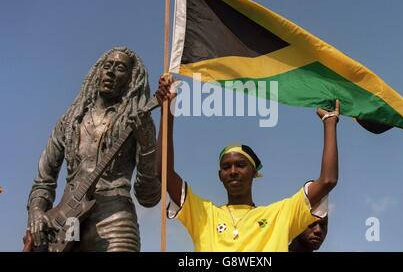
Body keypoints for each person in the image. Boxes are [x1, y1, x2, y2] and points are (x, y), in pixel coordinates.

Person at [155, 74, 339, 252]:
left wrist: (329, 121)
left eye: (240, 165)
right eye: (226, 167)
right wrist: (167, 110)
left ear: (253, 172)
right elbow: (163, 172)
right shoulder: (203, 214)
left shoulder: (279, 215)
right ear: (220, 175)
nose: (233, 171)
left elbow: (327, 181)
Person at [26, 47, 161, 252]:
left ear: (131, 79)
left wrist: (148, 145)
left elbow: (148, 196)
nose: (111, 72)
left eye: (120, 68)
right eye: (107, 66)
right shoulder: (70, 120)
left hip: (115, 220)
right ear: (97, 72)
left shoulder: (137, 122)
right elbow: (44, 179)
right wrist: (36, 211)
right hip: (67, 221)